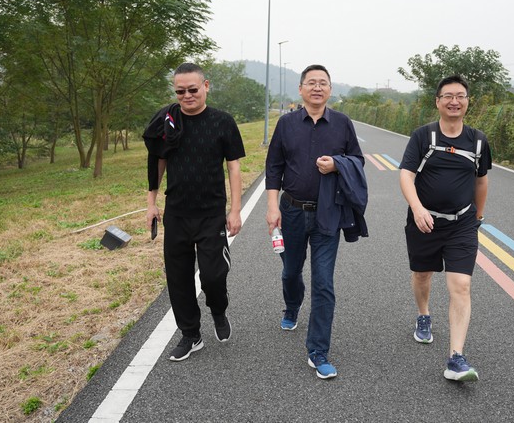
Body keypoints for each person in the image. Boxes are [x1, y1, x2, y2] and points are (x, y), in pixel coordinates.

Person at [265, 64, 367, 379]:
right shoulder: (286, 123)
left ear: (330, 89)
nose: (317, 87)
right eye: (311, 83)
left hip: (327, 212)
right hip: (292, 211)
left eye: (323, 83)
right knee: (290, 271)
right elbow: (274, 166)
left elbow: (358, 160)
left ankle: (318, 351)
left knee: (324, 282)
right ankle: (292, 306)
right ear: (301, 89)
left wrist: (336, 163)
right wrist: (272, 207)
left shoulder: (342, 123)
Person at [144, 62, 245, 362]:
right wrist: (151, 203)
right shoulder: (167, 122)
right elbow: (157, 163)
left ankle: (218, 309)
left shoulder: (222, 122)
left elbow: (234, 168)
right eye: (180, 91)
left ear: (206, 86)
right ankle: (191, 334)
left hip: (211, 213)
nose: (186, 96)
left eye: (192, 89)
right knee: (179, 279)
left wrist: (235, 210)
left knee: (214, 276)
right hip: (177, 213)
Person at [399, 74, 491, 382]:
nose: (455, 101)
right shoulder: (423, 136)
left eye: (460, 96)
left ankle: (456, 358)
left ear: (467, 102)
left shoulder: (478, 141)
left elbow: (481, 181)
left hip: (462, 223)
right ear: (437, 102)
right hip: (424, 221)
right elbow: (406, 175)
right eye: (448, 96)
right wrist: (417, 208)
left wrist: (478, 216)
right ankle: (424, 315)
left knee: (461, 285)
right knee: (422, 275)